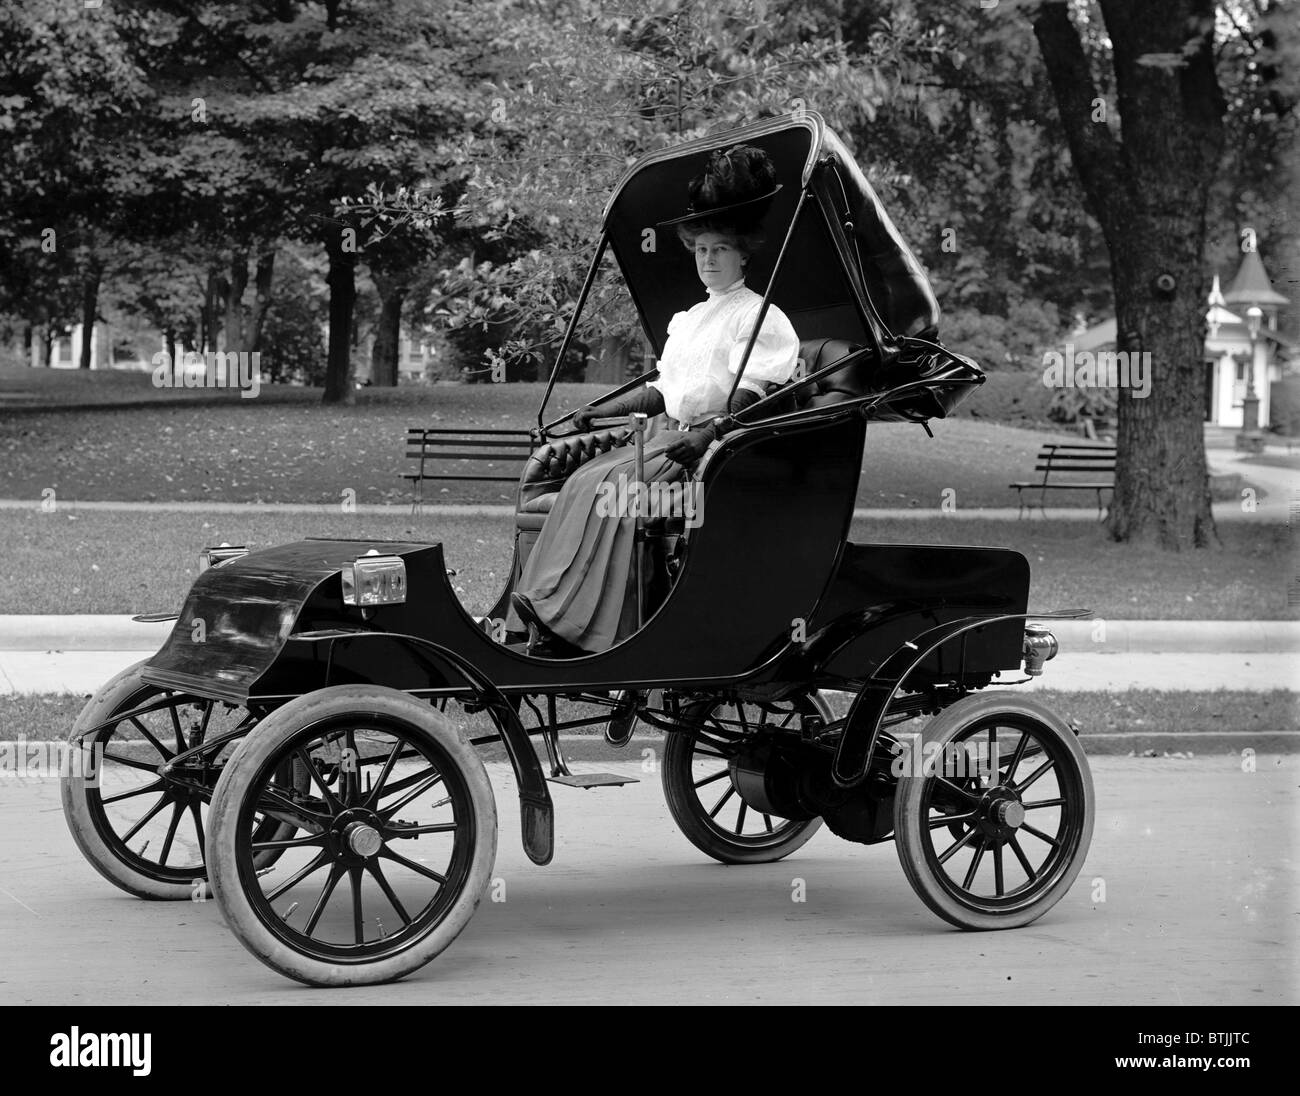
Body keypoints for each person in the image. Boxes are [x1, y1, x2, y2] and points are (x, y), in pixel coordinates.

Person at [508, 144, 800, 654]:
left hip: (708, 453)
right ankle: (543, 601)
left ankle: (582, 628)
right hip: (667, 441)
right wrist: (605, 410)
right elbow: (663, 389)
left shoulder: (758, 317)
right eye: (702, 250)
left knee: (610, 492)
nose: (708, 260)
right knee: (582, 478)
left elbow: (754, 397)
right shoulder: (689, 319)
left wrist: (708, 434)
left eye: (720, 250)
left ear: (744, 254)